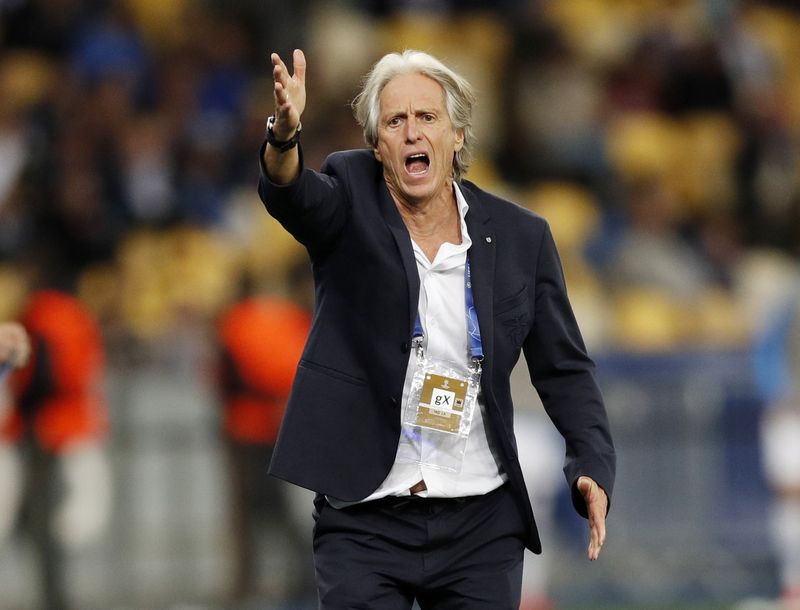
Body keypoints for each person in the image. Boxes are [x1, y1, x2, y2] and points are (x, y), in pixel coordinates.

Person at [258, 48, 616, 609]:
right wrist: (284, 136)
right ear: (378, 146)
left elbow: (564, 368)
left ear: (457, 136)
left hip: (481, 522)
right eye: (395, 121)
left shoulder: (523, 237)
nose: (410, 132)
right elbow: (291, 195)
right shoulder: (349, 196)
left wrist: (591, 463)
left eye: (427, 117)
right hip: (365, 518)